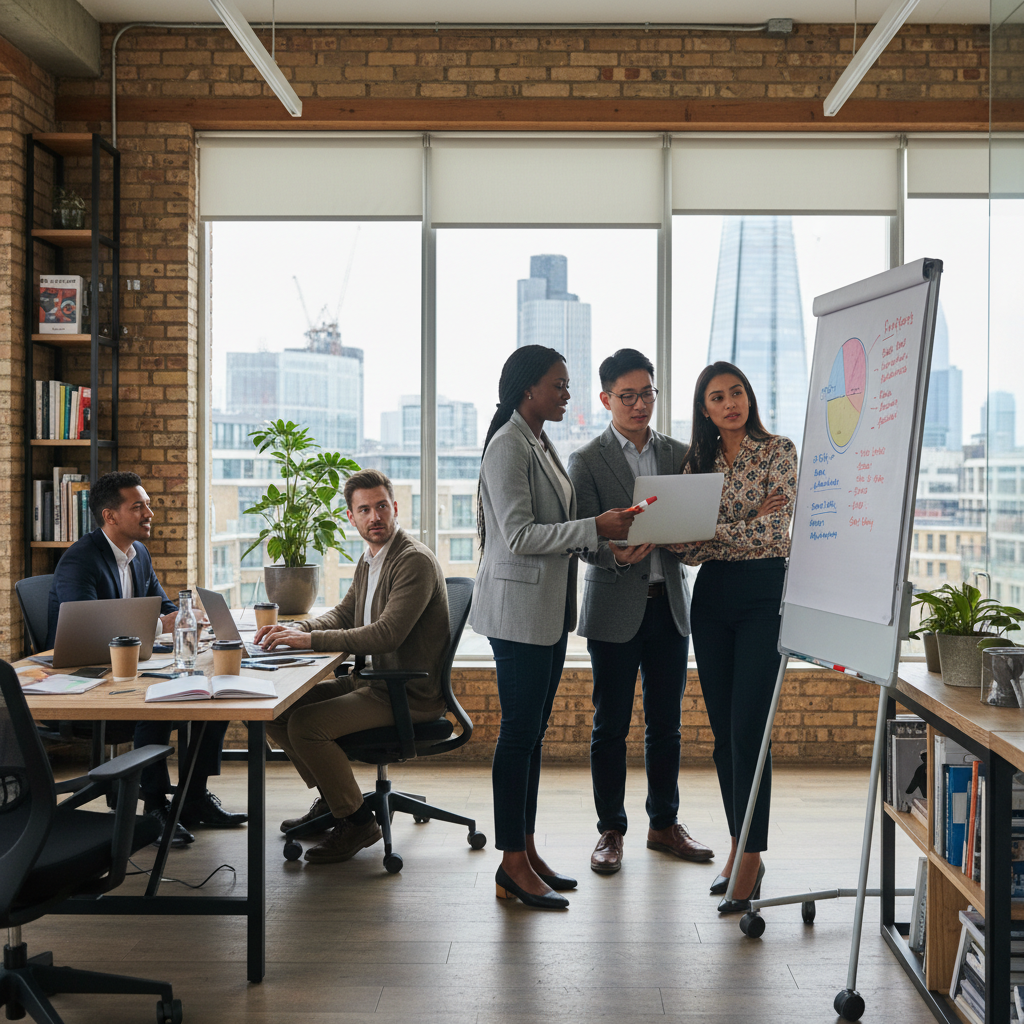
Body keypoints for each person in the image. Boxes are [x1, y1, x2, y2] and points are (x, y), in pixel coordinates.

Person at [471, 345, 638, 910]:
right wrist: (596, 524)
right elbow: (519, 535)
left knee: (531, 737)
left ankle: (527, 850)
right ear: (527, 389)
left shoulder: (538, 441)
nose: (567, 393)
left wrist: (607, 544)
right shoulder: (507, 446)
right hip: (517, 617)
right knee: (519, 736)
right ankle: (511, 861)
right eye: (559, 384)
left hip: (543, 615)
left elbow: (558, 529)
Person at [256, 469, 450, 864]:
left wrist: (309, 641)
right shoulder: (371, 558)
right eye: (365, 510)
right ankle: (335, 801)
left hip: (406, 692)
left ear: (394, 508)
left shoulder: (412, 561)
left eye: (381, 507)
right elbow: (345, 614)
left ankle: (358, 821)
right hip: (372, 682)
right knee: (274, 709)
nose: (375, 517)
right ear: (351, 517)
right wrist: (297, 629)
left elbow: (386, 635)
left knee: (307, 726)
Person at [567, 348, 713, 875]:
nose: (639, 404)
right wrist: (612, 551)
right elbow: (580, 539)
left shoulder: (677, 453)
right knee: (609, 725)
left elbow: (694, 519)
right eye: (627, 396)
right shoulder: (586, 461)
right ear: (606, 399)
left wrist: (683, 540)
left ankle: (663, 824)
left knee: (666, 725)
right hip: (613, 607)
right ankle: (611, 830)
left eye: (647, 393)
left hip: (669, 607)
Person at [46, 471, 247, 847]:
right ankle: (154, 805)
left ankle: (193, 798)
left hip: (131, 667)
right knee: (156, 704)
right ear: (110, 516)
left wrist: (185, 617)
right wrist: (161, 624)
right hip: (88, 677)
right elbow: (87, 626)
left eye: (148, 504)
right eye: (137, 506)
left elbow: (162, 605)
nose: (149, 513)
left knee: (214, 694)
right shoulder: (81, 560)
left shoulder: (138, 554)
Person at [663, 361, 797, 914]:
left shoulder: (779, 450)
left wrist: (710, 534)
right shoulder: (698, 464)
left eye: (736, 392)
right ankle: (741, 846)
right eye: (717, 397)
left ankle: (750, 856)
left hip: (766, 596)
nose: (730, 403)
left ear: (749, 396)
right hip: (713, 602)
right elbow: (682, 548)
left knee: (748, 732)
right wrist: (727, 536)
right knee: (722, 736)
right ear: (705, 409)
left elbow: (777, 532)